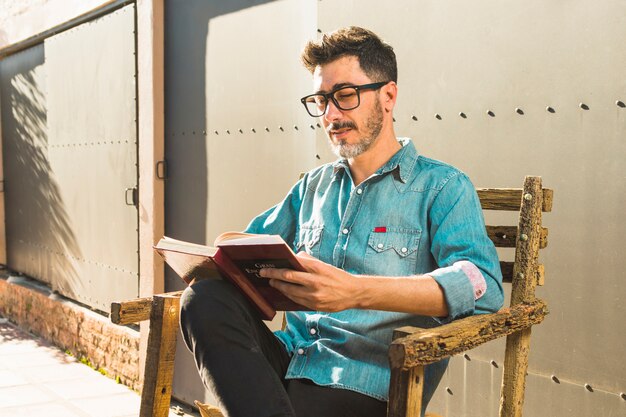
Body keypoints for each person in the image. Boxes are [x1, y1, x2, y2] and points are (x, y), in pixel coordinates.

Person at [180, 26, 503, 417]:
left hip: (367, 382)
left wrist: (356, 291)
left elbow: (481, 286)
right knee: (204, 299)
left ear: (388, 96)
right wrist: (214, 264)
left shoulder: (443, 187)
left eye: (345, 96)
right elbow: (241, 246)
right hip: (289, 364)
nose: (330, 114)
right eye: (321, 100)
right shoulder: (313, 186)